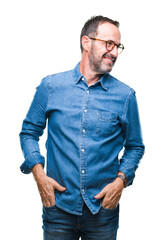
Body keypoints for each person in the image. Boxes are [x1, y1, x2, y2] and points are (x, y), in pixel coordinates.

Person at [19, 15, 145, 240]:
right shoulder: (51, 86)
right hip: (58, 207)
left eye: (118, 46)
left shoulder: (125, 96)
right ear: (86, 42)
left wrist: (121, 181)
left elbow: (135, 146)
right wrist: (39, 175)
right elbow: (29, 132)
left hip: (103, 212)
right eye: (109, 44)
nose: (114, 53)